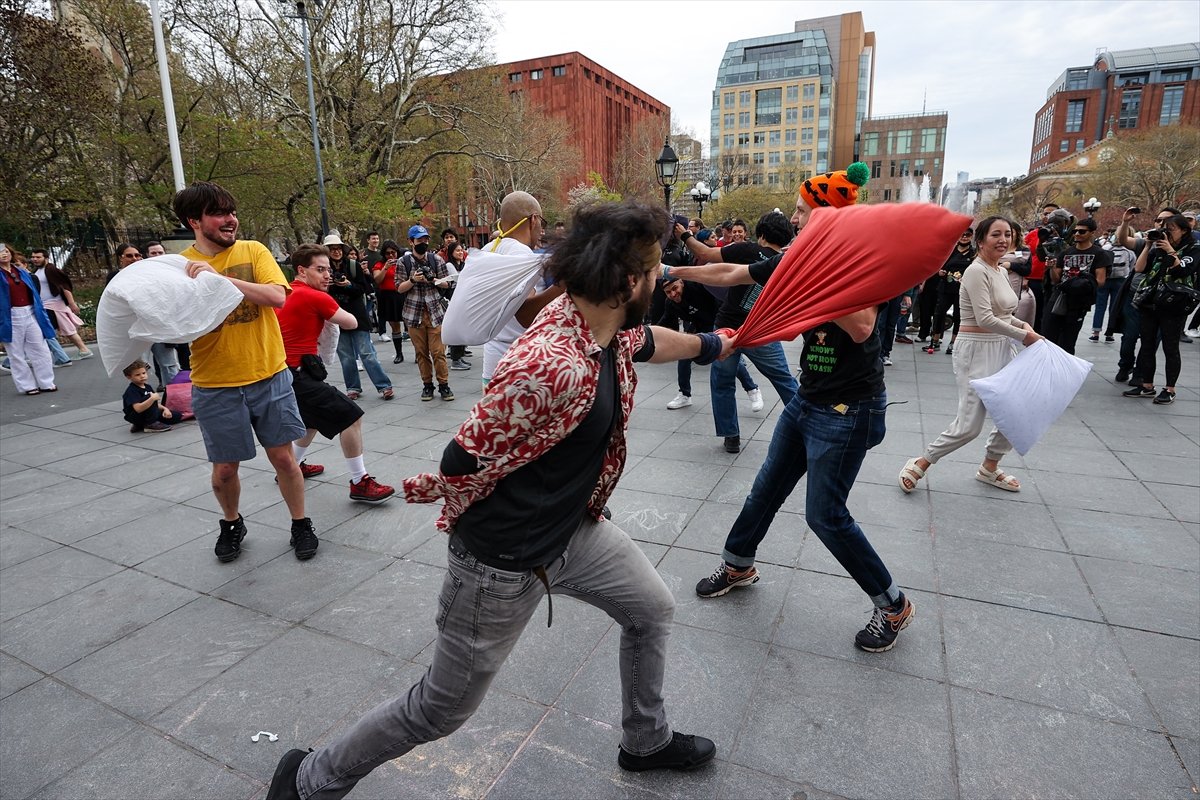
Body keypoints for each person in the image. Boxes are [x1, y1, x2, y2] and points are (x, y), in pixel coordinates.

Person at [265, 200, 724, 799]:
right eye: (658, 268)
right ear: (629, 281)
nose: (663, 278)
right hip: (501, 564)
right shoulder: (548, 365)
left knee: (651, 609)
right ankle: (308, 778)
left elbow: (646, 342)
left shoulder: (599, 322)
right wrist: (517, 460)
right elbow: (462, 458)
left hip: (575, 532)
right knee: (441, 708)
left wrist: (715, 345)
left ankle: (646, 740)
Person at [173, 181, 317, 564]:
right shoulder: (177, 266)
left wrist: (216, 279)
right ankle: (232, 522)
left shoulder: (253, 251)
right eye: (219, 213)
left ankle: (300, 523)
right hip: (214, 384)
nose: (230, 219)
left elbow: (277, 296)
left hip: (269, 375)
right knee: (224, 470)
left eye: (231, 211)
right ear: (194, 220)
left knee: (285, 459)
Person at [899, 217, 1044, 495]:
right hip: (975, 349)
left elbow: (1004, 315)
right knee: (969, 426)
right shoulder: (976, 271)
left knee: (1015, 413)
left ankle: (990, 466)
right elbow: (986, 319)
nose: (1003, 240)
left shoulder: (1000, 271)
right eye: (995, 235)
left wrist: (1024, 327)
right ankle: (922, 461)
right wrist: (1025, 335)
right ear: (981, 240)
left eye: (1007, 235)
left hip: (1002, 347)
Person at [276, 243, 396, 502]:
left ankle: (292, 466)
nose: (327, 275)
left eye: (328, 269)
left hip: (284, 374)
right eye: (320, 270)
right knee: (352, 418)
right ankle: (359, 481)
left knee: (312, 421)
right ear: (301, 270)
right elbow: (351, 322)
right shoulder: (314, 296)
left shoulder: (283, 292)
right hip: (299, 375)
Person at [674, 212, 799, 453]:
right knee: (784, 379)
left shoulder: (748, 250)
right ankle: (807, 426)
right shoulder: (787, 264)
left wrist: (685, 235)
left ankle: (731, 435)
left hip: (727, 327)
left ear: (761, 235)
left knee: (722, 381)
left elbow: (705, 254)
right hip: (761, 330)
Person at [479, 191, 564, 385]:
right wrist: (562, 286)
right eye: (542, 222)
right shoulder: (521, 253)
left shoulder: (488, 249)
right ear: (534, 219)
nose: (542, 230)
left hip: (492, 359)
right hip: (518, 363)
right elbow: (525, 314)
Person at [1123, 213, 1198, 405]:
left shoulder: (1194, 249)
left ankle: (1169, 389)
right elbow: (1139, 269)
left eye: (1171, 230)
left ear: (1184, 230)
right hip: (1152, 300)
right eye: (1164, 229)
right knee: (1147, 344)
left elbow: (1183, 270)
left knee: (1170, 347)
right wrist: (1148, 246)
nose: (1166, 234)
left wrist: (1171, 250)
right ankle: (1147, 385)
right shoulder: (1158, 248)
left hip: (1175, 303)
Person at [326, 231, 394, 401]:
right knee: (346, 356)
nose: (336, 252)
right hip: (335, 316)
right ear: (326, 251)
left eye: (339, 248)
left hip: (356, 315)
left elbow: (363, 288)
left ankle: (384, 386)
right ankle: (353, 387)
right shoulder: (323, 269)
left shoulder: (352, 265)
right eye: (332, 249)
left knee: (367, 353)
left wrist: (348, 285)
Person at [396, 224, 454, 401]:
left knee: (438, 352)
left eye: (426, 239)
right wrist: (413, 279)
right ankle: (427, 385)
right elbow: (399, 288)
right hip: (414, 314)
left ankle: (444, 385)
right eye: (420, 240)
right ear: (411, 241)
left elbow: (448, 283)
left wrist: (434, 280)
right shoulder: (403, 262)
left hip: (435, 312)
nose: (424, 242)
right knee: (421, 353)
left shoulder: (436, 260)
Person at [1043, 216, 1110, 355]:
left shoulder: (1099, 253)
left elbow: (1101, 281)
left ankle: (1065, 371)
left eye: (1082, 231)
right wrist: (1051, 268)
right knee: (1049, 335)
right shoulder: (1066, 252)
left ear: (1092, 233)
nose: (1077, 234)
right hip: (1059, 297)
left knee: (1068, 340)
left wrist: (1082, 284)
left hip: (1079, 302)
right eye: (1075, 231)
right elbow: (1056, 280)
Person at [0, 243, 57, 395]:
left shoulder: (20, 271)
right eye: (1, 252)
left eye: (6, 251)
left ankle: (46, 382)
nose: (4, 254)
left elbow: (34, 292)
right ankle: (27, 386)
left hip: (30, 312)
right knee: (16, 353)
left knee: (40, 348)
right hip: (9, 315)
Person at [28, 248, 93, 359]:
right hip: (46, 305)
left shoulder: (51, 269)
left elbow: (65, 286)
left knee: (54, 330)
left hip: (54, 304)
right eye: (33, 257)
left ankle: (80, 351)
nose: (35, 259)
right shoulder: (37, 271)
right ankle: (82, 350)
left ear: (46, 258)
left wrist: (71, 303)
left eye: (38, 257)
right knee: (65, 329)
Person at [924, 227, 973, 355]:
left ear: (971, 236)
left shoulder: (973, 253)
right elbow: (941, 264)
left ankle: (953, 342)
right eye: (962, 234)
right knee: (939, 313)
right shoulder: (951, 250)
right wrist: (940, 271)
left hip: (962, 289)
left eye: (967, 235)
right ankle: (935, 341)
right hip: (945, 287)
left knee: (958, 316)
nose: (964, 237)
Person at [369, 239, 406, 364]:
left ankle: (419, 352)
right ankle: (399, 353)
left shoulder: (403, 262)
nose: (391, 255)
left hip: (402, 294)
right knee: (394, 326)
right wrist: (385, 268)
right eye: (388, 253)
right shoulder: (379, 264)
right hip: (388, 296)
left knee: (411, 325)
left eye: (393, 253)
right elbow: (377, 280)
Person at [122, 359, 174, 432]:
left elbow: (154, 404)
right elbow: (138, 408)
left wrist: (165, 409)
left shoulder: (147, 386)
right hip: (137, 416)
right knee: (149, 397)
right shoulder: (132, 391)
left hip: (148, 414)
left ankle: (141, 425)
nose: (142, 376)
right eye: (138, 375)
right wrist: (152, 399)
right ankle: (150, 424)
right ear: (129, 377)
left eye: (144, 373)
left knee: (174, 416)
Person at [443, 242, 471, 370]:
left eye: (461, 250)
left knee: (462, 328)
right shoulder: (449, 265)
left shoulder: (464, 264)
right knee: (456, 328)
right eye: (457, 251)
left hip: (463, 298)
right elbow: (459, 279)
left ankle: (459, 356)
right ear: (451, 253)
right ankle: (455, 359)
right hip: (453, 298)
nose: (460, 252)